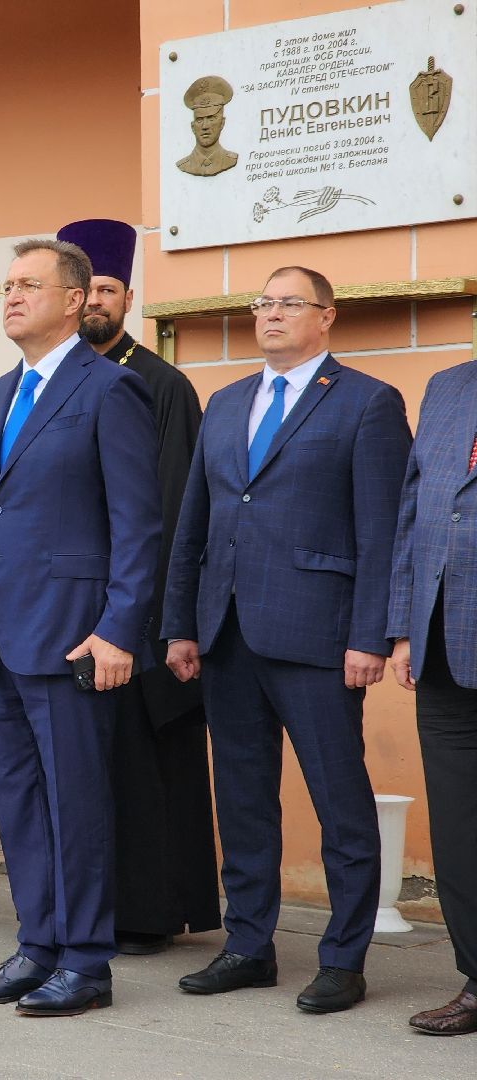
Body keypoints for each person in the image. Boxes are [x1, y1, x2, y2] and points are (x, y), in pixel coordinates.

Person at [165, 266, 410, 1013]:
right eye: (262, 303)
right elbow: (194, 524)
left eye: (287, 303)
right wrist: (180, 624)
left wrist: (371, 634)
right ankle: (248, 946)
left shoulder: (367, 403)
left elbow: (382, 530)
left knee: (340, 799)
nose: (270, 314)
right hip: (227, 631)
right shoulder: (227, 402)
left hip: (320, 635)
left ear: (327, 317)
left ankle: (342, 955)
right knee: (242, 799)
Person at [0, 238, 161, 1016]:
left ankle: (87, 961)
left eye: (28, 285)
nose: (10, 296)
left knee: (75, 804)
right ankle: (37, 945)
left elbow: (138, 525)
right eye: (5, 285)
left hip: (74, 633)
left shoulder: (110, 391)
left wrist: (119, 629)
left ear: (74, 300)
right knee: (23, 804)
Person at [56, 217, 219, 955]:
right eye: (83, 287)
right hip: (66, 609)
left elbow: (173, 507)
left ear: (126, 297)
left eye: (107, 289)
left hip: (139, 615)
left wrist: (146, 618)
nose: (94, 300)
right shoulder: (48, 385)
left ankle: (149, 912)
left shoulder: (161, 384)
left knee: (146, 766)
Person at [389, 360, 477, 1036]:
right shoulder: (448, 386)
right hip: (445, 643)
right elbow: (415, 509)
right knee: (459, 830)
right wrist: (402, 628)